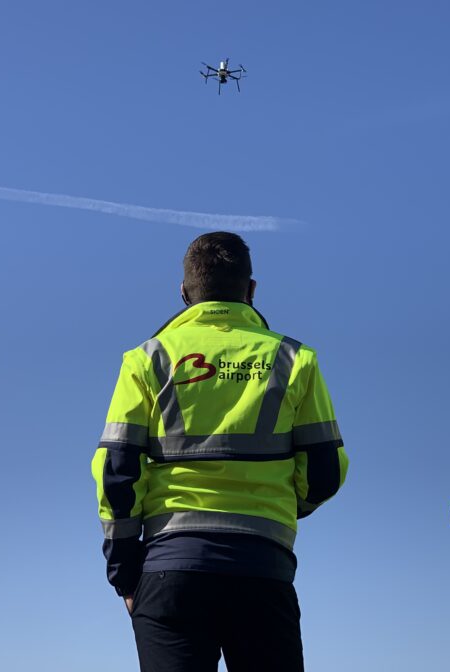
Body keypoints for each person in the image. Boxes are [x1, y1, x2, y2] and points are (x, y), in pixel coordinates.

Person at [92, 231, 348, 672]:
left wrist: (124, 573)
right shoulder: (295, 359)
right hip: (263, 571)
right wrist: (281, 505)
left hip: (170, 571)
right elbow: (325, 472)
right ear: (250, 290)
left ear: (185, 294)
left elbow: (117, 471)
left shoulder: (146, 359)